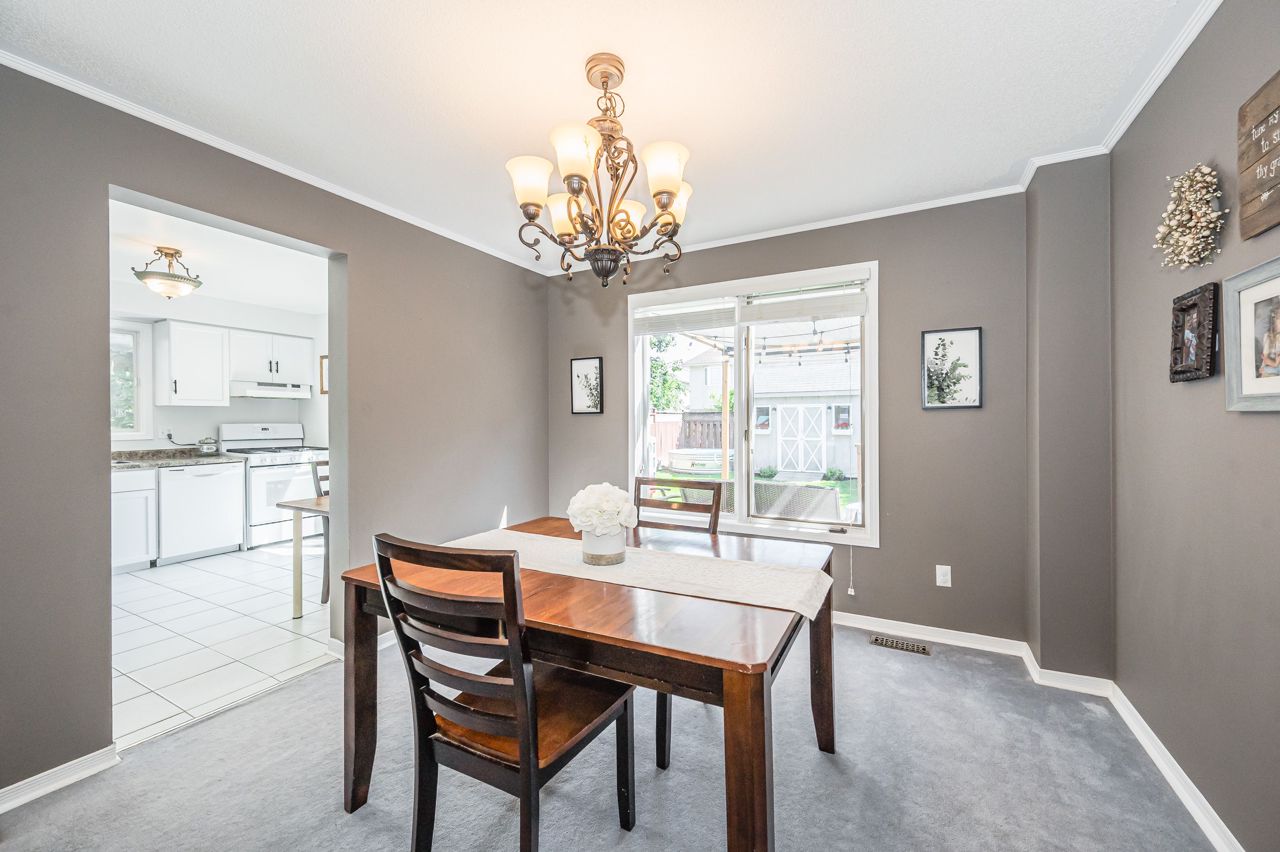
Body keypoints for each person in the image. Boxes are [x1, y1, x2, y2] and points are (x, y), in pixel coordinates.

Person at [1261, 304, 1280, 378]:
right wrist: (1275, 364)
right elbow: (1265, 359)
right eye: (1278, 318)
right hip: (1269, 372)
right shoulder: (1268, 336)